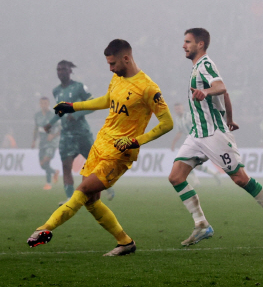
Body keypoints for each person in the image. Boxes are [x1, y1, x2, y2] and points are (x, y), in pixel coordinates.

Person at [27, 39, 173, 256]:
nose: (110, 68)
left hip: (120, 153)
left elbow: (167, 123)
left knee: (83, 190)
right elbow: (106, 100)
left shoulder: (148, 88)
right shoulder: (117, 78)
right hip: (100, 144)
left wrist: (136, 141)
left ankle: (44, 229)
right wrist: (72, 107)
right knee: (91, 201)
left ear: (126, 58)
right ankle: (125, 243)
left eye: (113, 63)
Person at [168, 28, 263, 248]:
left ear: (201, 44)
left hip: (214, 134)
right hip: (197, 134)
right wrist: (230, 117)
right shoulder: (197, 68)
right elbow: (225, 94)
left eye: (188, 42)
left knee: (241, 179)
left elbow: (221, 87)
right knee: (176, 177)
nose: (183, 45)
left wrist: (206, 94)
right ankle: (201, 224)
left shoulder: (205, 65)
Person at [43, 61, 114, 202]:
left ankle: (109, 187)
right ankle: (70, 199)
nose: (60, 72)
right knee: (66, 166)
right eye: (58, 69)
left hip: (82, 134)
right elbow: (59, 110)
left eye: (63, 69)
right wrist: (50, 123)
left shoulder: (79, 87)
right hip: (66, 136)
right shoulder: (56, 91)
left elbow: (94, 105)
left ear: (70, 71)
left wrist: (75, 115)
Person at [170, 102, 222, 185]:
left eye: (179, 108)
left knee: (183, 161)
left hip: (197, 141)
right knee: (192, 164)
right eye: (176, 109)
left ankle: (196, 181)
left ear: (183, 108)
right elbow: (180, 132)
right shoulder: (177, 119)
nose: (178, 110)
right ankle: (213, 173)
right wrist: (173, 143)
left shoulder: (189, 116)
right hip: (191, 142)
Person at [32, 97, 60, 190]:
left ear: (48, 104)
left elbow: (60, 128)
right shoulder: (37, 115)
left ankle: (48, 183)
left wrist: (53, 135)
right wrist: (34, 141)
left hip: (51, 142)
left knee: (46, 161)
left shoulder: (53, 115)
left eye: (45, 103)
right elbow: (36, 129)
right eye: (42, 103)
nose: (44, 105)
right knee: (42, 165)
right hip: (42, 142)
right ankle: (54, 172)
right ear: (40, 104)